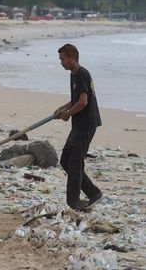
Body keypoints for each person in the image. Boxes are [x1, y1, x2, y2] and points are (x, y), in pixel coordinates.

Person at [54, 43, 103, 211]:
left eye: (63, 59)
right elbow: (76, 99)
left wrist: (68, 114)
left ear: (72, 57)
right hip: (78, 125)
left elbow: (83, 102)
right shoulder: (73, 75)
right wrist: (64, 108)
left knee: (75, 163)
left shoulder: (82, 74)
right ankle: (94, 192)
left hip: (86, 125)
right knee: (66, 160)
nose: (61, 62)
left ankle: (73, 203)